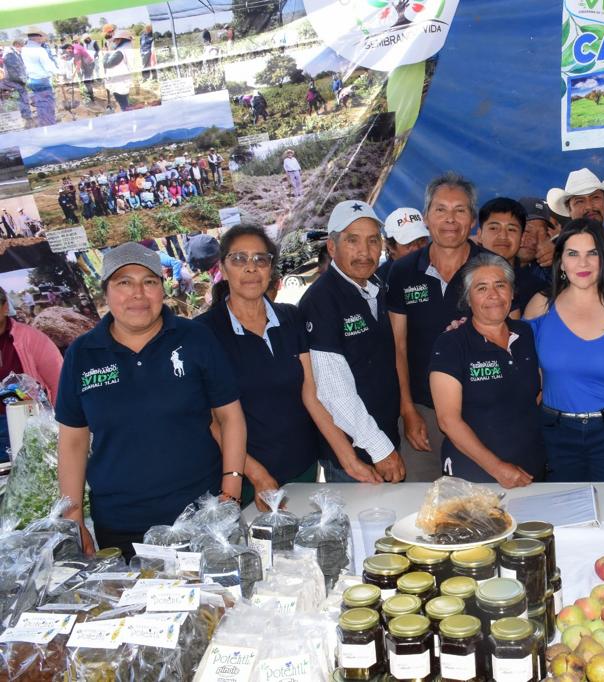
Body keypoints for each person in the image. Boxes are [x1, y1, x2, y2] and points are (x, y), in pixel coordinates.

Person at [56, 242, 246, 556]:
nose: (138, 294)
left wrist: (231, 492)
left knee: (218, 602)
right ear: (107, 292)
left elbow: (230, 417)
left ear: (162, 289)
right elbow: (73, 442)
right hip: (120, 527)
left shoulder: (195, 338)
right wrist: (73, 519)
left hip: (202, 516)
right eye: (124, 283)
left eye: (149, 282)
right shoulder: (82, 354)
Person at [197, 225, 381, 505]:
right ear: (222, 266)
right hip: (245, 479)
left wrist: (350, 460)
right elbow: (213, 422)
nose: (251, 268)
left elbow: (312, 395)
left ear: (271, 268)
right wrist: (257, 476)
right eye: (239, 259)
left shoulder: (291, 317)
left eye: (261, 259)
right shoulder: (205, 332)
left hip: (302, 470)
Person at [523, 219, 604, 481]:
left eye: (592, 253)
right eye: (573, 254)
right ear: (561, 261)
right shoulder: (540, 307)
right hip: (554, 435)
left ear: (603, 259)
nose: (582, 264)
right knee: (561, 520)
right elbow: (522, 371)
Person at [386, 172, 486, 481]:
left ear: (472, 220)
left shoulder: (490, 268)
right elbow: (398, 346)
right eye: (440, 209)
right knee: (421, 508)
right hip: (423, 412)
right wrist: (407, 410)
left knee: (484, 508)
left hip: (480, 410)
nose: (450, 219)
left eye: (460, 210)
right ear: (427, 217)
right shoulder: (403, 271)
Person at [299, 201, 405, 483]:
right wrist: (380, 449)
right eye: (352, 241)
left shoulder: (375, 287)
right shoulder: (320, 301)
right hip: (354, 452)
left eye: (372, 241)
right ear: (332, 248)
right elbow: (333, 390)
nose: (364, 252)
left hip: (383, 436)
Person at [430, 254, 545, 486]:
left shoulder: (525, 334)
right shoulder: (451, 344)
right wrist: (498, 469)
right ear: (468, 298)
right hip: (472, 474)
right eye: (481, 288)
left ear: (512, 293)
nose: (493, 295)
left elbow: (537, 393)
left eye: (500, 285)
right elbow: (448, 420)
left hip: (529, 468)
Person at [0, 285, 62, 460]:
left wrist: (55, 423)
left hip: (28, 424)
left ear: (5, 307)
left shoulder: (30, 338)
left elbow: (59, 381)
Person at [477, 197, 547, 316]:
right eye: (494, 228)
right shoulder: (459, 276)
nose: (503, 236)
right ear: (479, 235)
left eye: (511, 229)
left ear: (521, 238)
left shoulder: (538, 290)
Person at [546, 168, 604, 234]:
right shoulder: (562, 247)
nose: (589, 207)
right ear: (569, 210)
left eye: (595, 197)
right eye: (580, 201)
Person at [379, 206, 430, 284]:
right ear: (390, 246)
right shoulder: (379, 282)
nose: (417, 249)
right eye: (408, 244)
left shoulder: (442, 268)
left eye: (421, 241)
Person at [22, 27, 61, 127]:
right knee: (48, 106)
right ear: (37, 37)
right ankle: (50, 126)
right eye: (41, 36)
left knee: (40, 105)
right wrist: (59, 72)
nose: (42, 38)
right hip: (42, 81)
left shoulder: (24, 49)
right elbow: (49, 67)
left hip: (32, 80)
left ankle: (43, 125)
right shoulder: (39, 50)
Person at [2, 38, 33, 125]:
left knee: (22, 98)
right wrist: (22, 80)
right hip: (14, 81)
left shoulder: (15, 53)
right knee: (22, 97)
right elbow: (13, 70)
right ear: (17, 45)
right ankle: (26, 117)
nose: (23, 48)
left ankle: (25, 116)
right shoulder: (10, 55)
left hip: (17, 80)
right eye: (22, 46)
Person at [103, 29, 135, 111]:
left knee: (122, 103)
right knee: (125, 100)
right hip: (124, 79)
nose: (114, 42)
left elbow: (106, 64)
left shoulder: (120, 52)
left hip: (119, 83)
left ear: (120, 39)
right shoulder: (128, 47)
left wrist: (106, 53)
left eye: (115, 40)